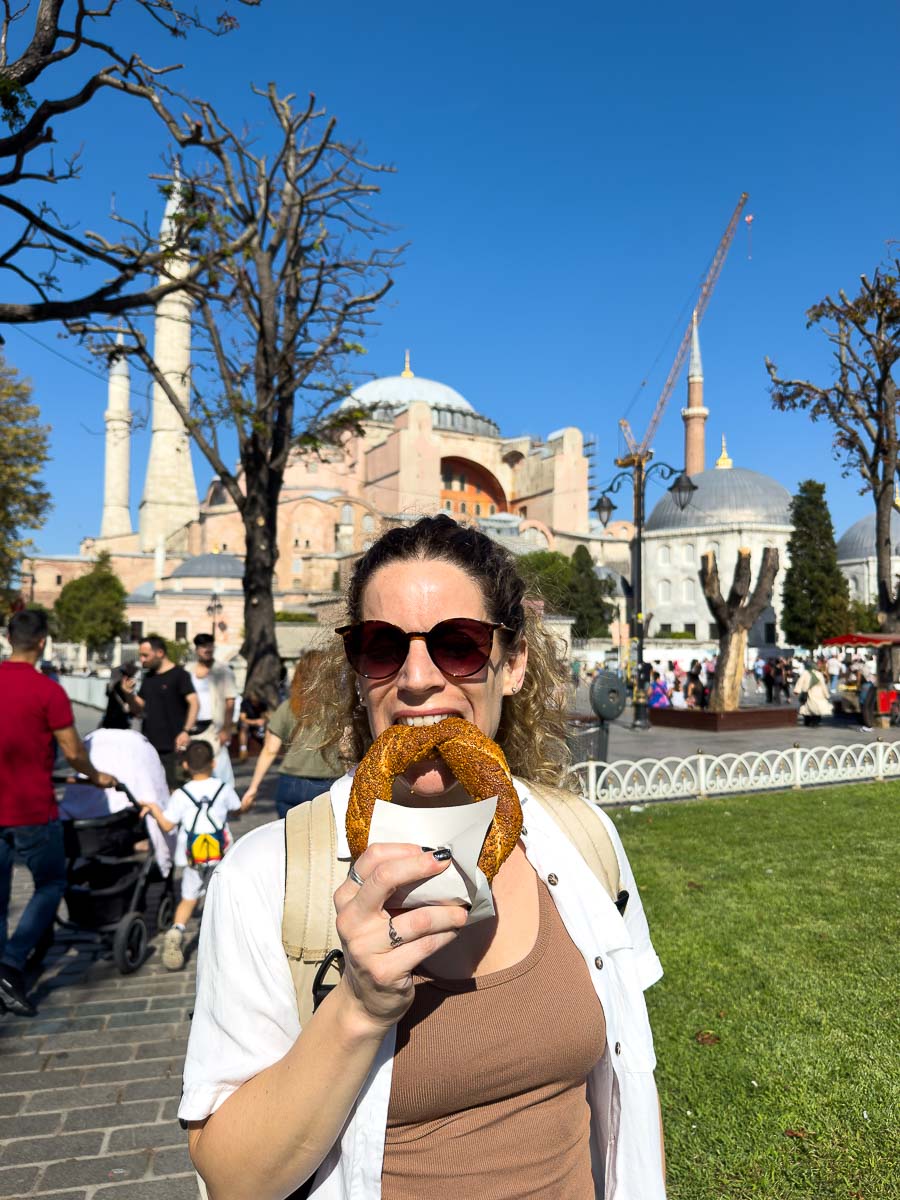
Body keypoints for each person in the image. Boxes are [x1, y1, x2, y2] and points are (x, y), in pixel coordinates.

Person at [181, 514, 666, 1200]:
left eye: (458, 646)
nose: (415, 679)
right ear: (356, 670)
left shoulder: (583, 839)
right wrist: (359, 1005)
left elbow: (631, 1098)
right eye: (382, 647)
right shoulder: (265, 876)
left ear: (515, 662)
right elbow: (233, 1178)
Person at [0, 609, 116, 1016]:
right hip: (32, 808)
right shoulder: (47, 690)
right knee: (50, 885)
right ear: (43, 642)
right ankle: (11, 962)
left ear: (9, 637)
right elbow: (72, 751)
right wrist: (96, 776)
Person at [140, 740, 247, 971]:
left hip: (192, 858)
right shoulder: (223, 788)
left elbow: (168, 825)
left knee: (189, 898)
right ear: (214, 763)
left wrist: (154, 807)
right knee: (221, 898)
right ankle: (225, 946)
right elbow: (237, 808)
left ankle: (176, 930)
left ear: (186, 765)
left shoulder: (180, 794)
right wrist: (247, 802)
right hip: (221, 856)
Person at [242, 651, 341, 819]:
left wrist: (253, 787)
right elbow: (348, 749)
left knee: (291, 840)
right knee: (326, 842)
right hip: (328, 784)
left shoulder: (289, 707)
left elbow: (270, 750)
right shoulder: (339, 709)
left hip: (290, 783)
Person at [122, 636, 198, 789]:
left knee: (174, 790)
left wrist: (185, 731)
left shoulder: (180, 675)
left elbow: (194, 703)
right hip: (150, 746)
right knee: (150, 789)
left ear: (160, 653)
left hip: (174, 748)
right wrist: (129, 694)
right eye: (140, 656)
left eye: (145, 655)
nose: (142, 660)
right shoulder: (149, 677)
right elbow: (139, 708)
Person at [188, 634, 238, 786]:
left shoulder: (223, 671)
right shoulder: (187, 671)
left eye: (210, 646)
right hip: (192, 727)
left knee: (220, 769)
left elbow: (230, 701)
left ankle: (225, 801)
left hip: (214, 727)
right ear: (197, 649)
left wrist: (227, 729)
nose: (207, 650)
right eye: (203, 646)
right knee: (194, 767)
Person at [793, 658, 832, 727]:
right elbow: (823, 686)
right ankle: (815, 722)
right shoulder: (819, 674)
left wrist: (797, 690)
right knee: (817, 708)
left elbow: (800, 682)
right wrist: (827, 695)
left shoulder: (805, 673)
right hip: (818, 694)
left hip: (808, 693)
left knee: (806, 708)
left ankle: (807, 721)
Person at [100, 660, 138, 730]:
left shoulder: (114, 686)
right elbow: (132, 712)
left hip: (111, 722)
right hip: (119, 723)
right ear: (125, 678)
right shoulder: (122, 688)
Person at [236, 689, 268, 760]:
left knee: (268, 727)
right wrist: (254, 722)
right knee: (244, 726)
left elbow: (264, 716)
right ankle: (243, 749)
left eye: (256, 701)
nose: (255, 703)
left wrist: (262, 721)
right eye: (253, 701)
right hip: (247, 723)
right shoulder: (245, 703)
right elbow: (242, 718)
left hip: (257, 725)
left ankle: (267, 748)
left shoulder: (263, 703)